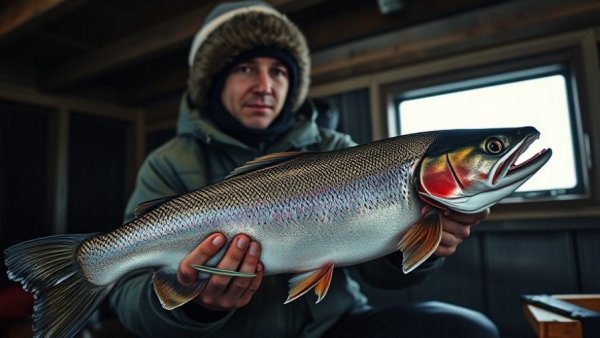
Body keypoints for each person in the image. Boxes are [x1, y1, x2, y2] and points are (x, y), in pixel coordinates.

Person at [108, 1, 500, 337]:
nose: (265, 85)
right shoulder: (169, 164)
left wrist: (423, 245)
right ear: (213, 81)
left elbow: (382, 276)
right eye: (246, 68)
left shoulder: (336, 149)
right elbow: (128, 298)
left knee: (467, 330)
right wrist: (199, 308)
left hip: (331, 326)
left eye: (278, 71)